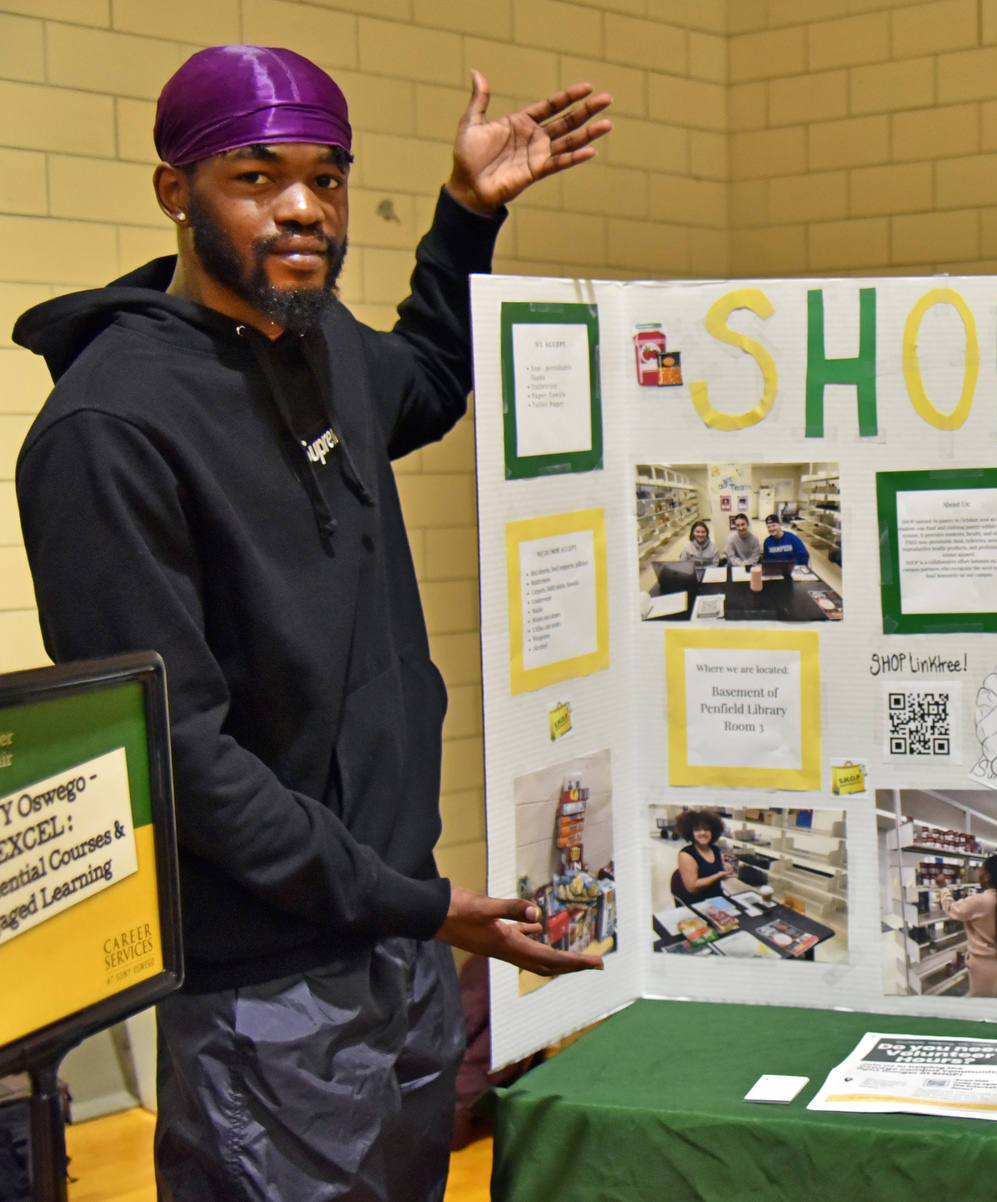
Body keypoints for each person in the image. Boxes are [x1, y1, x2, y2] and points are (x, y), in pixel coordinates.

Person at [13, 45, 612, 1202]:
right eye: (256, 174)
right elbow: (180, 756)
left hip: (399, 931)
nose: (302, 206)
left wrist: (466, 216)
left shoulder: (318, 338)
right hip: (265, 982)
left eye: (326, 177)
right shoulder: (111, 427)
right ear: (173, 190)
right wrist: (424, 906)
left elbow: (429, 377)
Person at [938, 852, 997, 998]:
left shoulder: (979, 901)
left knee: (984, 1009)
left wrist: (943, 888)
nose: (978, 873)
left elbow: (951, 910)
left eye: (981, 870)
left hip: (984, 968)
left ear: (988, 876)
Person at [670, 809, 735, 906]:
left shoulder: (716, 850)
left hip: (717, 899)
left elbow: (720, 878)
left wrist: (727, 874)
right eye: (698, 829)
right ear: (690, 832)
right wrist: (718, 875)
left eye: (707, 829)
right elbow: (692, 887)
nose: (703, 833)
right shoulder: (686, 854)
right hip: (697, 903)